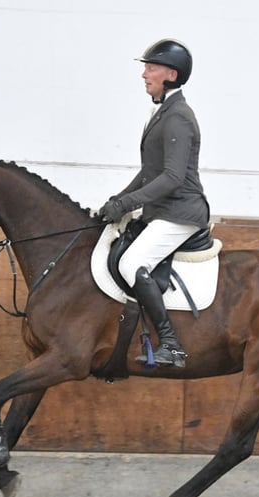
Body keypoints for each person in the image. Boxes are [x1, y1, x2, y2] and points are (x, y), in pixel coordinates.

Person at [98, 38, 210, 368]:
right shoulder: (162, 112)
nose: (144, 74)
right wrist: (119, 201)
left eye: (151, 68)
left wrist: (128, 202)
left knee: (131, 263)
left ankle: (171, 343)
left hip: (180, 212)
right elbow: (150, 173)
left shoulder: (178, 117)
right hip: (163, 210)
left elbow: (172, 178)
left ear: (170, 75)